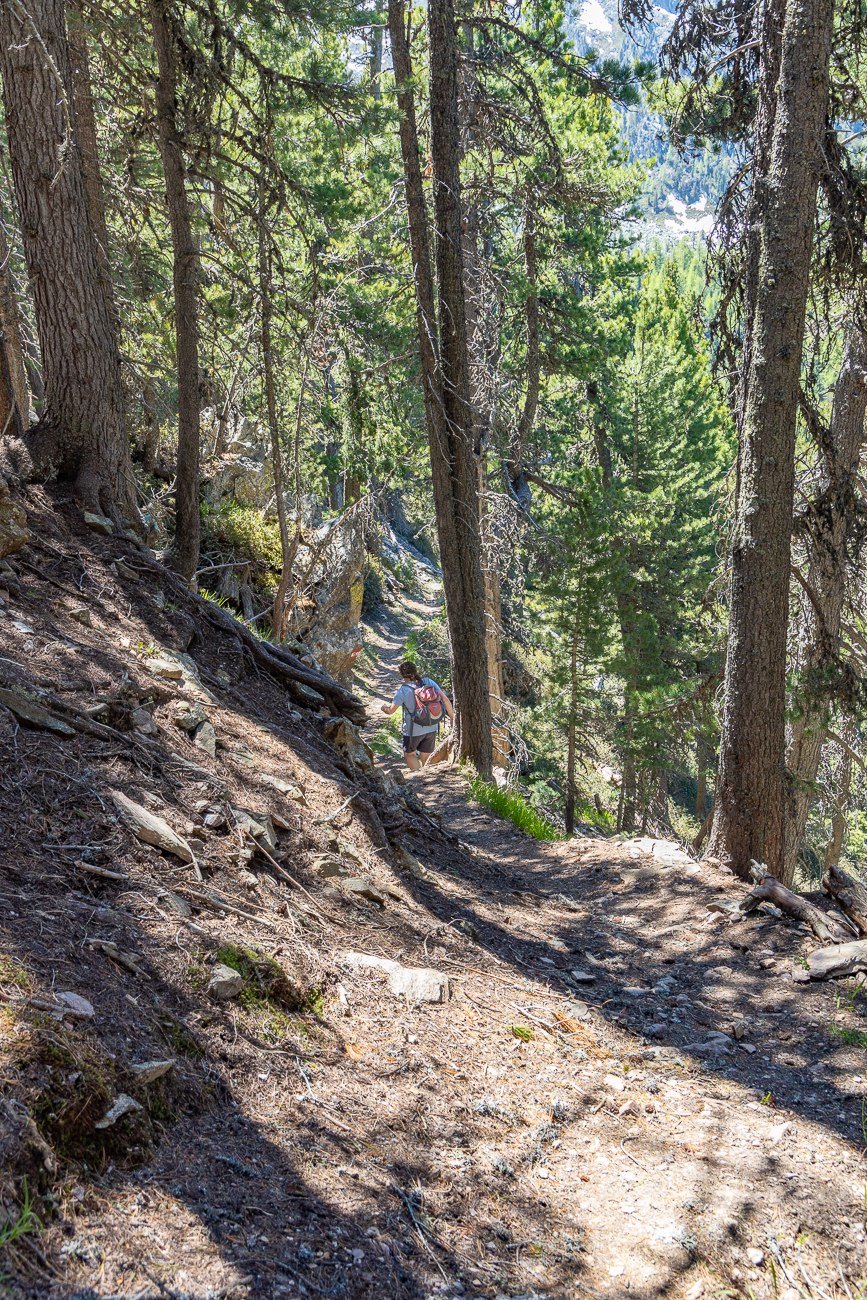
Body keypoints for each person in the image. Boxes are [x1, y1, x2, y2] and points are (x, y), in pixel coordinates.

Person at [380, 660, 454, 770]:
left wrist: (383, 707)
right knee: (427, 757)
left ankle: (418, 778)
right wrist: (452, 717)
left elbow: (391, 710)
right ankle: (427, 780)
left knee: (410, 755)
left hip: (412, 730)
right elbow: (445, 700)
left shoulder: (403, 690)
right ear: (416, 670)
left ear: (401, 674)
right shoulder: (428, 682)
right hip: (431, 725)